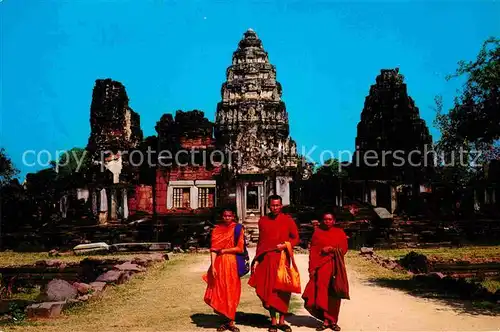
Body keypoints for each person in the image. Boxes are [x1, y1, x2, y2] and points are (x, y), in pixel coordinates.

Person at [248, 195, 300, 332]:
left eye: (277, 205)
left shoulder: (288, 220)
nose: (275, 208)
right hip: (267, 260)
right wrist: (257, 259)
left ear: (281, 206)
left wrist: (285, 246)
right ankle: (273, 321)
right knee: (269, 289)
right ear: (268, 206)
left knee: (283, 289)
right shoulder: (263, 221)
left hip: (283, 258)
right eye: (272, 205)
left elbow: (296, 238)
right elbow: (261, 241)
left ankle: (282, 321)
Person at [302, 212, 349, 331]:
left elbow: (344, 249)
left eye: (330, 219)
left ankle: (333, 320)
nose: (327, 222)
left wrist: (331, 249)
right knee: (321, 292)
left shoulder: (339, 232)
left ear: (334, 221)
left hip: (335, 266)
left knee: (334, 293)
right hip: (321, 268)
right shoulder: (317, 233)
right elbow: (313, 250)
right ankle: (325, 320)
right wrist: (312, 268)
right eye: (325, 219)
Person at [203, 209, 244, 332]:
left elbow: (240, 248)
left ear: (233, 217)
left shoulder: (238, 229)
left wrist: (225, 250)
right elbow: (214, 249)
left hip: (232, 264)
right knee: (220, 290)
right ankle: (226, 320)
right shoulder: (217, 230)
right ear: (222, 216)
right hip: (219, 264)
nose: (227, 218)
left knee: (232, 292)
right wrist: (213, 266)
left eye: (229, 216)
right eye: (225, 216)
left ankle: (231, 321)